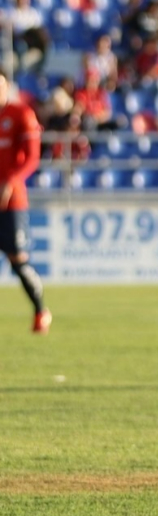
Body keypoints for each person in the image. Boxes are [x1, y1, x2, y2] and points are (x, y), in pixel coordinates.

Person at [0, 73, 50, 334]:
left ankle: (41, 310)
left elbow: (32, 158)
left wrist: (10, 181)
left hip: (12, 202)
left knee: (17, 260)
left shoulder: (21, 113)